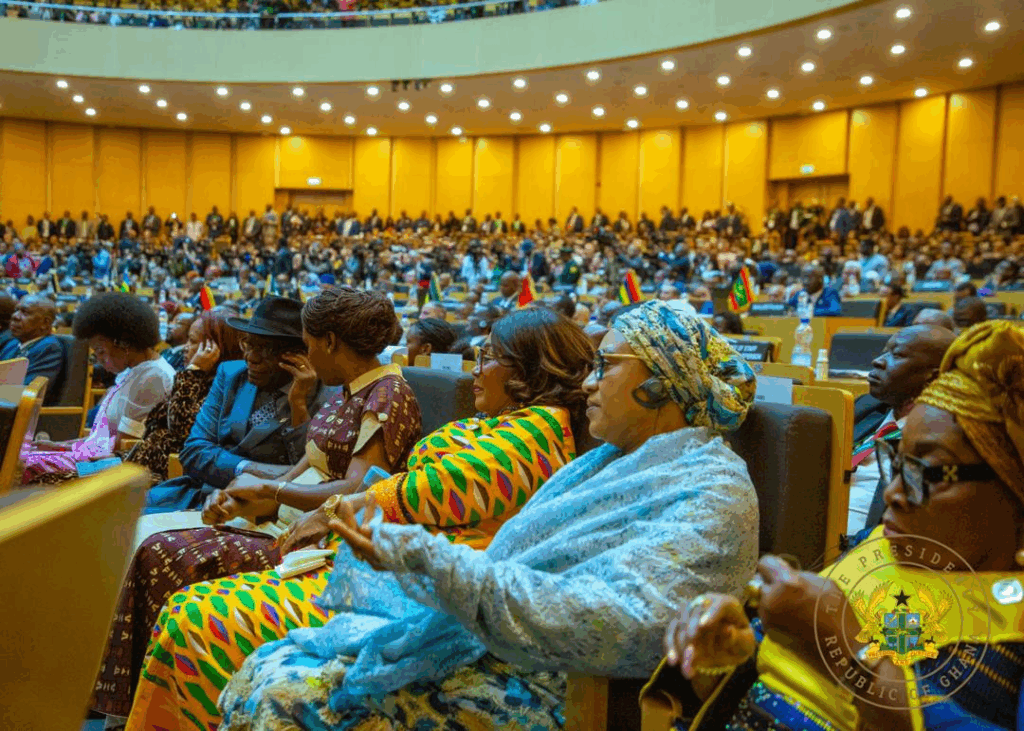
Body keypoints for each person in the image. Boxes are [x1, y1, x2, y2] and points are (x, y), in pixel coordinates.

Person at [209, 300, 758, 731]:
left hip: (560, 687)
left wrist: (425, 560)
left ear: (663, 382)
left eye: (607, 367)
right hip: (501, 646)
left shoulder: (713, 491)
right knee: (270, 665)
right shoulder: (609, 461)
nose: (589, 384)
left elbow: (623, 622)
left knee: (288, 695)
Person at [124, 306, 594, 730]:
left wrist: (326, 512)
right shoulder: (495, 423)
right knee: (185, 598)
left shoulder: (535, 432)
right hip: (375, 558)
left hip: (418, 592)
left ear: (529, 370)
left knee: (199, 615)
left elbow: (421, 491)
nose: (475, 364)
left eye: (489, 355)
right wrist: (273, 499)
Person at [658, 320, 1024, 731]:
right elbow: (761, 682)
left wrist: (852, 652)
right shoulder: (879, 544)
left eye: (928, 469)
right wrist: (725, 652)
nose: (892, 493)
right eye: (897, 462)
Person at [94, 288, 423, 723]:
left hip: (324, 539)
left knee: (170, 555)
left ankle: (177, 710)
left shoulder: (386, 394)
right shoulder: (351, 389)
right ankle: (136, 706)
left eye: (305, 344)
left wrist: (272, 495)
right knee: (156, 549)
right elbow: (296, 473)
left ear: (327, 342)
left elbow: (356, 487)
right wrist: (246, 497)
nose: (304, 353)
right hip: (288, 518)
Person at [143, 296, 333, 513]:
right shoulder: (231, 374)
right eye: (248, 344)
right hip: (202, 494)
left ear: (298, 356)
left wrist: (298, 403)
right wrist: (254, 470)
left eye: (265, 349)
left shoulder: (325, 392)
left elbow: (312, 472)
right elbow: (193, 451)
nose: (251, 357)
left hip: (269, 509)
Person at [21, 293, 174, 484]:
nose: (99, 360)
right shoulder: (133, 371)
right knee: (27, 455)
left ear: (124, 343)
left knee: (23, 466)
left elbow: (121, 449)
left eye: (101, 351)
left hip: (117, 467)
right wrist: (61, 446)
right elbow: (101, 440)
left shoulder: (152, 377)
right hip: (101, 458)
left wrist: (70, 453)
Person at [847, 325, 955, 533]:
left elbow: (912, 519)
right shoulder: (865, 407)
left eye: (896, 355)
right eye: (884, 352)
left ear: (932, 378)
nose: (877, 361)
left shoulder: (940, 438)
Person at [124, 310, 244, 483]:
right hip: (135, 467)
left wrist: (193, 371)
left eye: (193, 341)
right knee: (76, 472)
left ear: (216, 348)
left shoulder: (223, 390)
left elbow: (181, 429)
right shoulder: (198, 381)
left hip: (162, 482)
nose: (186, 348)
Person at [0, 294, 65, 405]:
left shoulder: (49, 347)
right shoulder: (12, 343)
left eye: (24, 312)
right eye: (16, 310)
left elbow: (26, 391)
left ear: (45, 323)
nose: (15, 316)